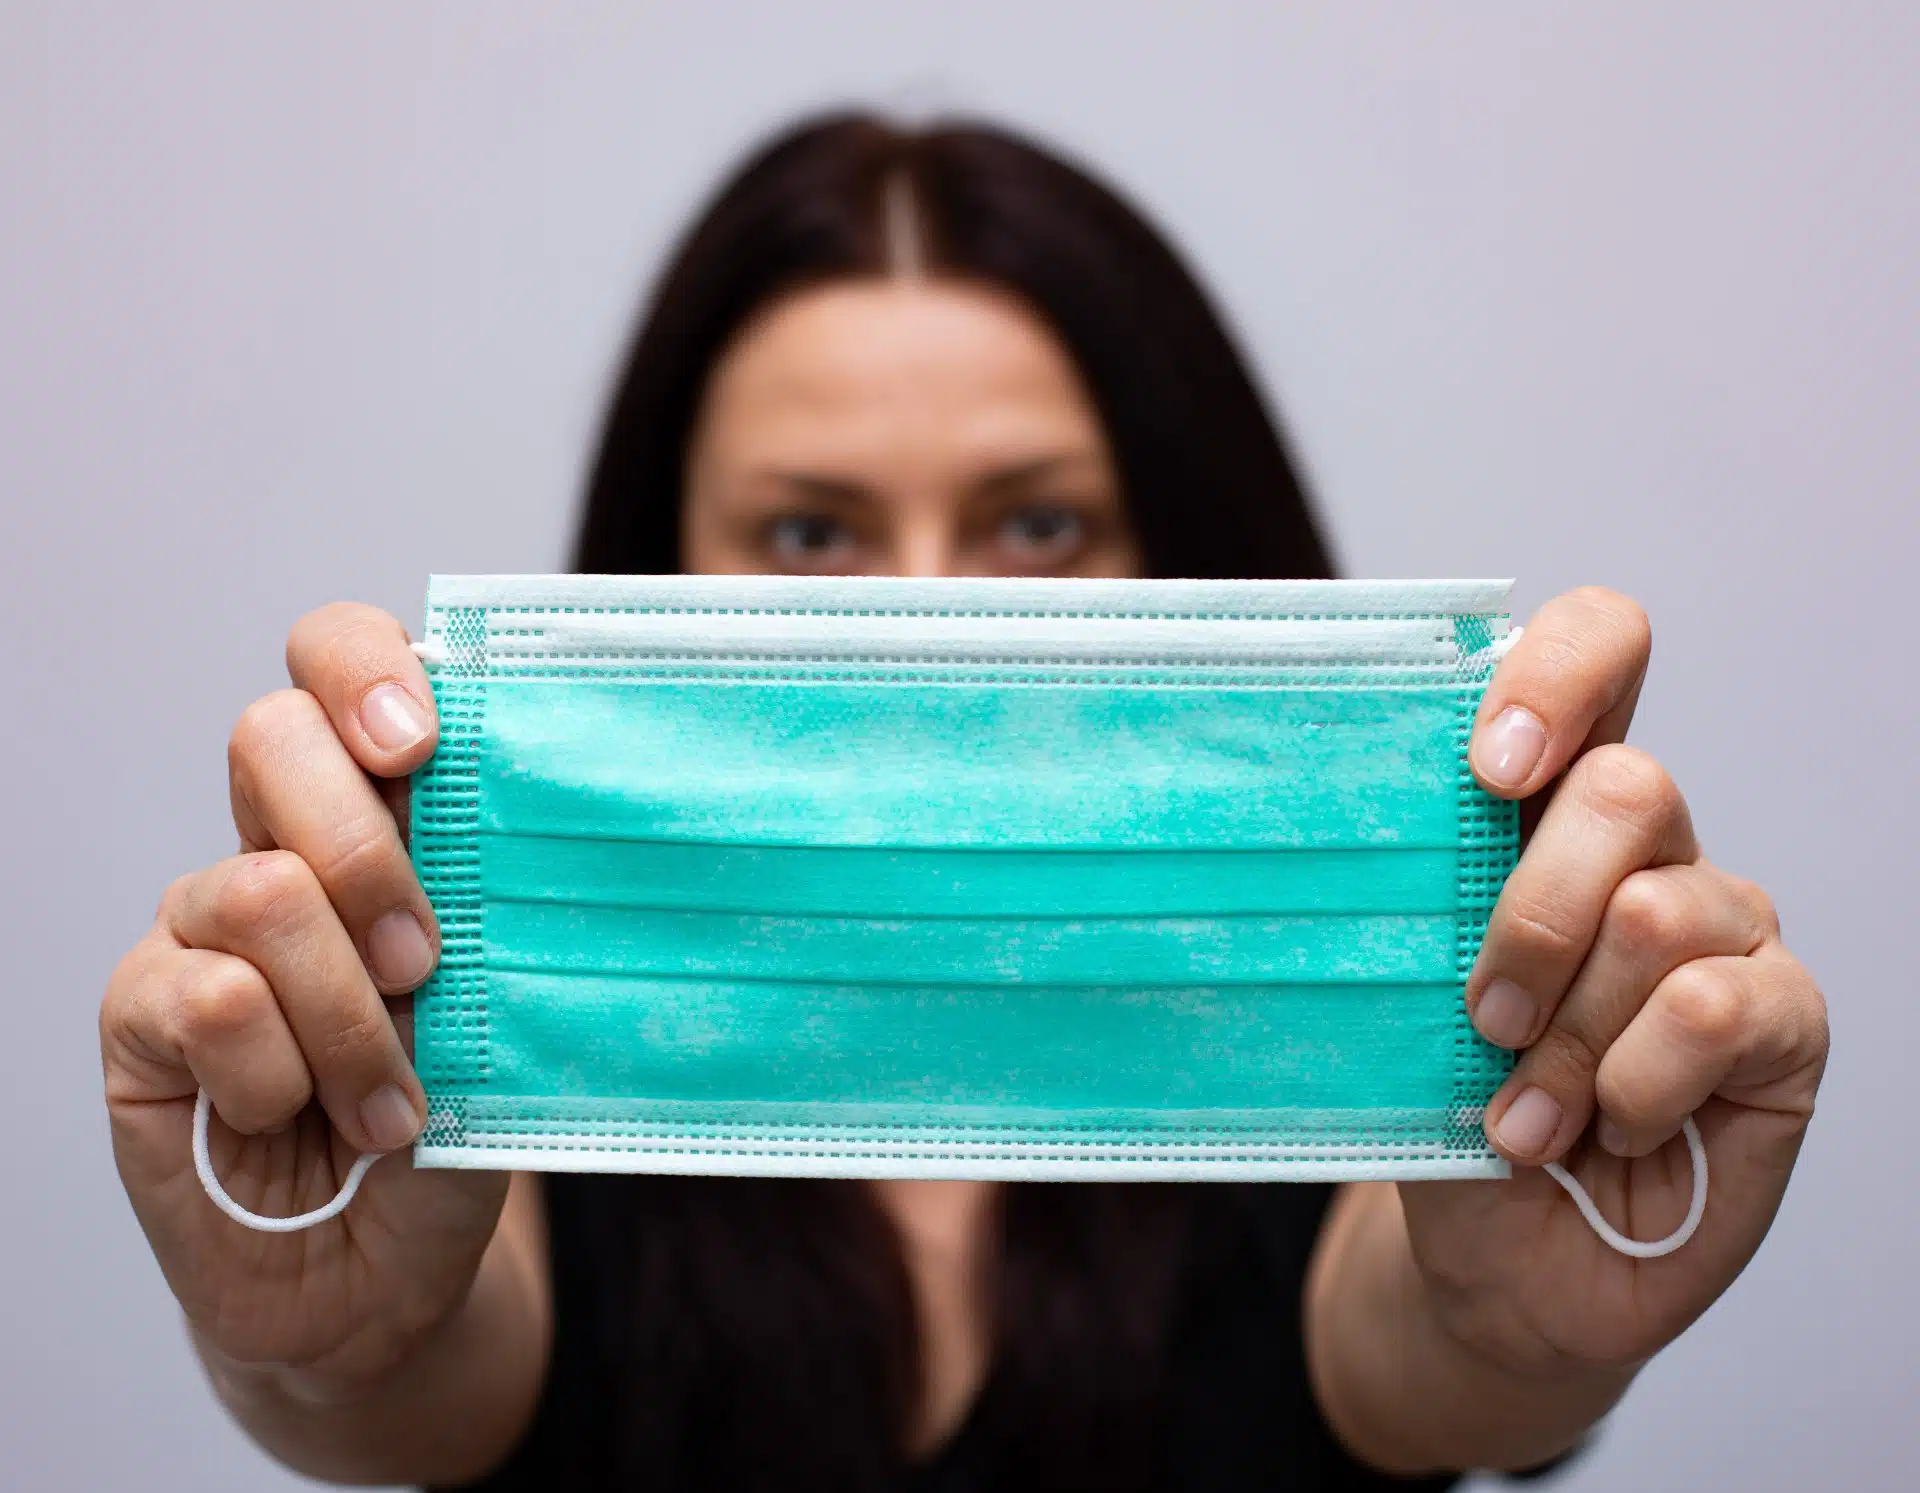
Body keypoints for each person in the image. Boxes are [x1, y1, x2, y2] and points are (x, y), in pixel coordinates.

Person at [99, 113, 1828, 1491]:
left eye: (1042, 523)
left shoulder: (1368, 1054)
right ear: (654, 573)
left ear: (1192, 558)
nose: (928, 617)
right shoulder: (511, 1056)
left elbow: (1436, 1351)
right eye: (807, 534)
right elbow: (408, 1375)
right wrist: (317, 1341)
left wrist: (1527, 1331)